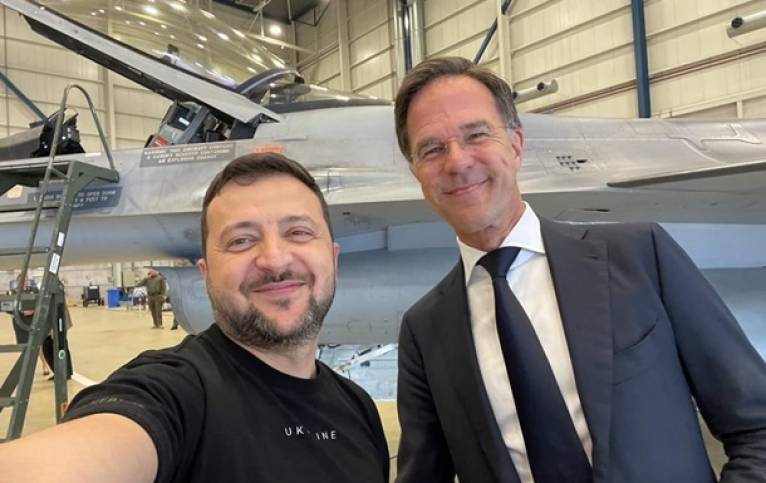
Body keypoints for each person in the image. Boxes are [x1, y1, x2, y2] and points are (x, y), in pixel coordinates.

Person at [393, 56, 766, 483]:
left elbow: (757, 427)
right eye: (432, 149)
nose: (457, 162)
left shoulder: (638, 256)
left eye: (476, 135)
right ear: (416, 173)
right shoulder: (426, 332)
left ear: (516, 144)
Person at [0, 153, 390, 483]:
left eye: (299, 232)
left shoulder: (358, 407)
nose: (274, 260)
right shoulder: (176, 394)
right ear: (206, 274)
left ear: (333, 259)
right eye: (241, 240)